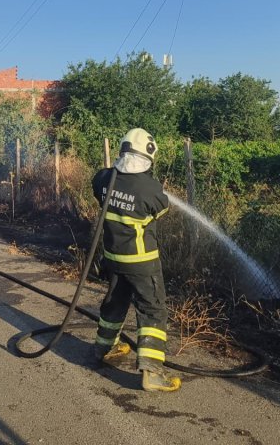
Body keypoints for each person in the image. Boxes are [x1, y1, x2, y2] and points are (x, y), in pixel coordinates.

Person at [90, 127, 181, 392]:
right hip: (142, 261)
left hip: (112, 258)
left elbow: (99, 193)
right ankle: (152, 372)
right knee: (153, 309)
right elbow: (160, 210)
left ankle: (104, 348)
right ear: (148, 155)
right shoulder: (149, 188)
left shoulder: (103, 178)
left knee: (115, 301)